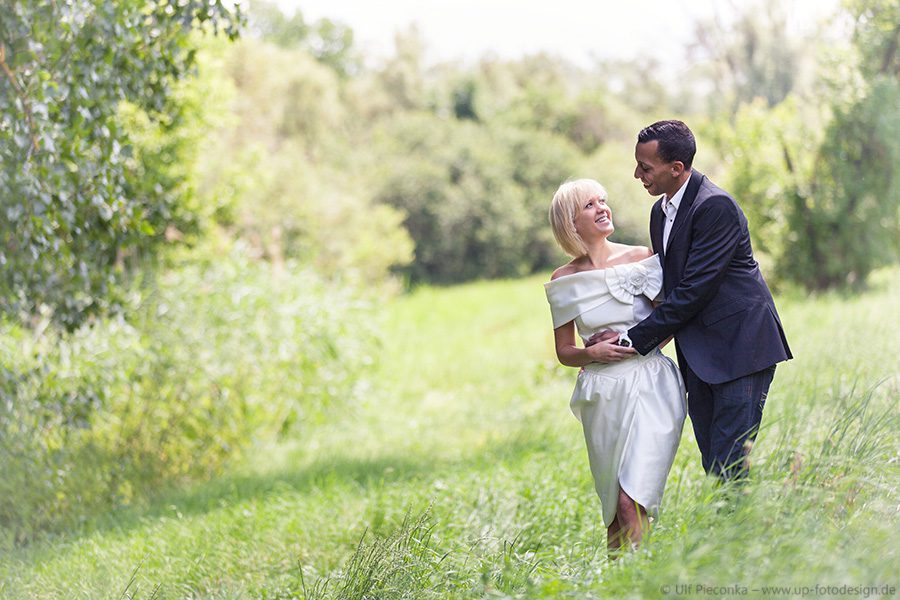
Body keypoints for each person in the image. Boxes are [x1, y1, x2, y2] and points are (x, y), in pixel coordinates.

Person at [600, 120, 792, 481]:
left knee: (729, 459)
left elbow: (693, 290)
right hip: (698, 354)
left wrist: (630, 341)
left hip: (741, 347)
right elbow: (665, 287)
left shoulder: (715, 206)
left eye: (645, 167)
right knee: (713, 458)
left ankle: (738, 533)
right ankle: (731, 532)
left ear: (676, 168)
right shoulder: (660, 212)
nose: (637, 173)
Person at [544, 178, 687, 551]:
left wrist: (627, 343)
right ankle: (620, 586)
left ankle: (646, 586)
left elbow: (668, 325)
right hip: (601, 395)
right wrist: (591, 354)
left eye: (602, 201)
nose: (602, 208)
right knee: (614, 513)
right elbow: (565, 351)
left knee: (630, 499)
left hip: (650, 384)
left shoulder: (641, 259)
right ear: (570, 222)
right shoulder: (563, 280)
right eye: (589, 205)